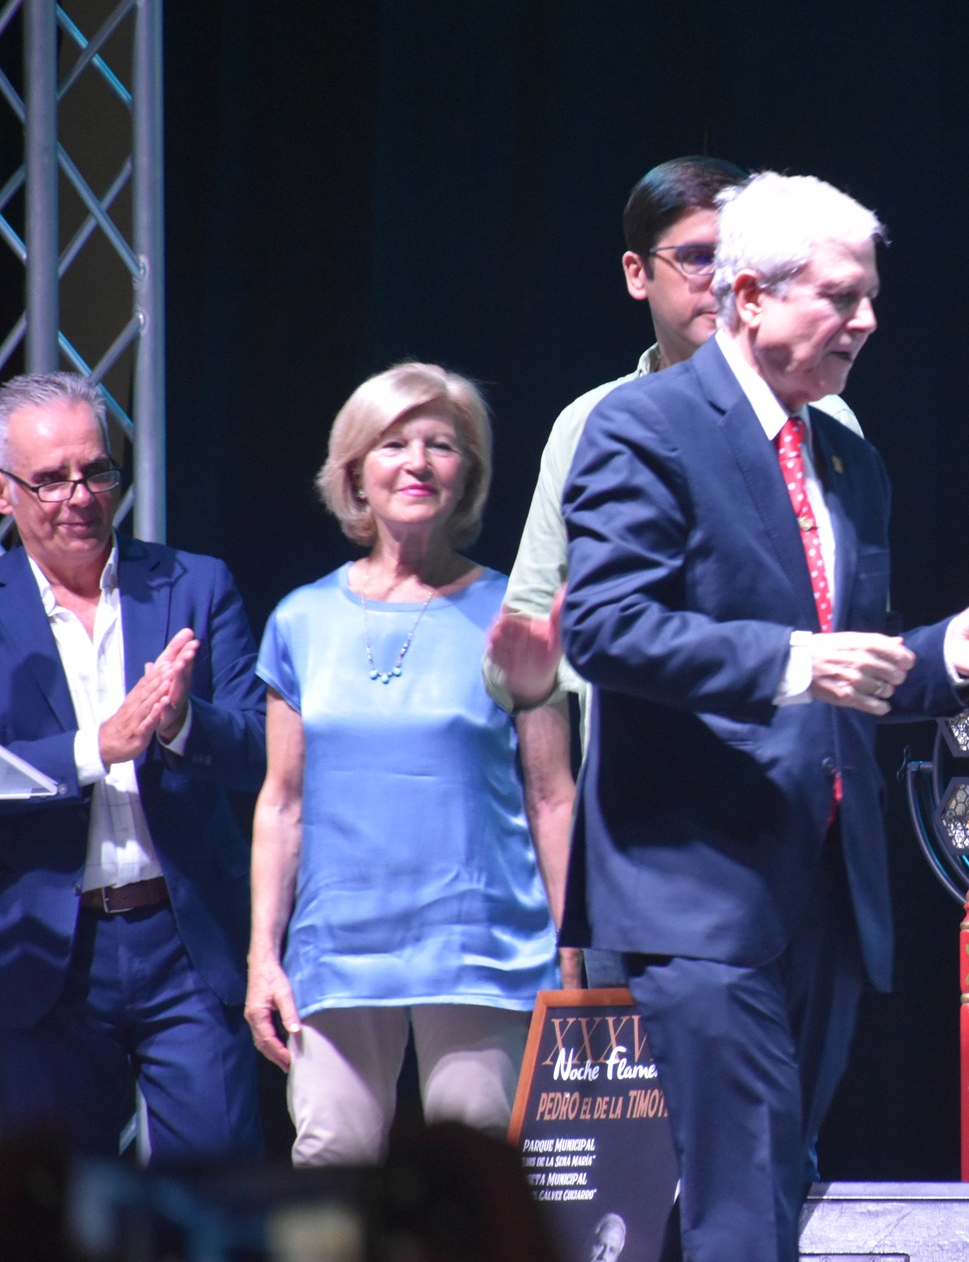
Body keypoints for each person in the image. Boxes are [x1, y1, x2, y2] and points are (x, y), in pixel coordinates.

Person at [532, 172, 969, 1262]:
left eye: (869, 295)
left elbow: (852, 664)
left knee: (774, 1184)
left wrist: (943, 656)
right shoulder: (643, 426)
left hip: (824, 881)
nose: (866, 320)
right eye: (839, 296)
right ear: (749, 297)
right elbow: (603, 627)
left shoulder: (847, 458)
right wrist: (794, 660)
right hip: (695, 879)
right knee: (741, 1193)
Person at [484, 156, 864, 991]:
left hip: (796, 826)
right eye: (696, 257)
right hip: (650, 845)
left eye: (738, 258)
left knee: (785, 1078)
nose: (720, 280)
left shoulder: (825, 417)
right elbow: (532, 661)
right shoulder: (595, 422)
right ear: (637, 273)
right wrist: (564, 879)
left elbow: (851, 631)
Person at [244, 363, 560, 1165]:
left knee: (479, 1175)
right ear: (355, 470)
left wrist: (574, 948)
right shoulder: (301, 619)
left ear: (468, 474)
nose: (417, 462)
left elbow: (552, 795)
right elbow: (281, 803)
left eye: (441, 445)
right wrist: (262, 956)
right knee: (331, 1165)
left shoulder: (512, 615)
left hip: (483, 943)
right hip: (338, 948)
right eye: (393, 443)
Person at [0, 371, 267, 1161]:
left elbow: (260, 749)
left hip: (186, 939)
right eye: (51, 479)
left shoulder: (196, 583)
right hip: (44, 952)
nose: (79, 496)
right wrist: (95, 747)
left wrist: (182, 721)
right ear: (5, 493)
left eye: (96, 470)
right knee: (57, 1200)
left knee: (217, 1188)